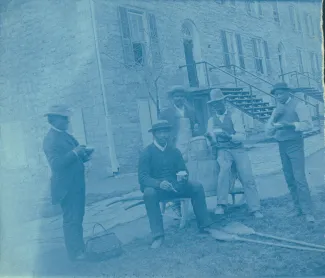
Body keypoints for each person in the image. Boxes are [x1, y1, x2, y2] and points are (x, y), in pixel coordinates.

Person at [138, 120, 212, 249]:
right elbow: (143, 178)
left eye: (166, 132)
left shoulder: (174, 151)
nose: (164, 135)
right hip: (158, 190)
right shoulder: (147, 153)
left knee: (197, 186)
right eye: (160, 132)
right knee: (148, 193)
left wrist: (183, 178)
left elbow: (183, 170)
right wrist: (158, 183)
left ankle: (205, 226)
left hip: (175, 186)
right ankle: (158, 236)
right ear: (154, 134)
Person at [43, 104, 94, 261]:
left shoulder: (66, 135)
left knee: (78, 217)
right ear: (53, 120)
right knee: (71, 219)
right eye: (64, 118)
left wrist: (84, 154)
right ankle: (75, 253)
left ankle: (80, 249)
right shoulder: (50, 139)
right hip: (65, 186)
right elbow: (56, 165)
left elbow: (76, 154)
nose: (67, 121)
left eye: (67, 118)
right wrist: (75, 152)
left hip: (76, 184)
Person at [206, 89, 263, 218]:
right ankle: (221, 204)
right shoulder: (211, 121)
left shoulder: (234, 116)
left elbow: (242, 136)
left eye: (218, 103)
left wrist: (229, 136)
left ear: (224, 102)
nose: (216, 106)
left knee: (247, 176)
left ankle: (255, 208)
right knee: (224, 172)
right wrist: (210, 139)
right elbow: (212, 140)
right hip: (223, 150)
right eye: (214, 104)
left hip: (238, 149)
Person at [265, 82, 315, 223]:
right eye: (276, 95)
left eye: (281, 93)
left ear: (288, 92)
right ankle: (297, 208)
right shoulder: (277, 110)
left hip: (295, 144)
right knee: (289, 177)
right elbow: (268, 131)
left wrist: (291, 125)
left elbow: (309, 125)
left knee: (299, 177)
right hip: (282, 145)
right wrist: (274, 119)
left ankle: (308, 211)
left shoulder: (298, 105)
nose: (278, 97)